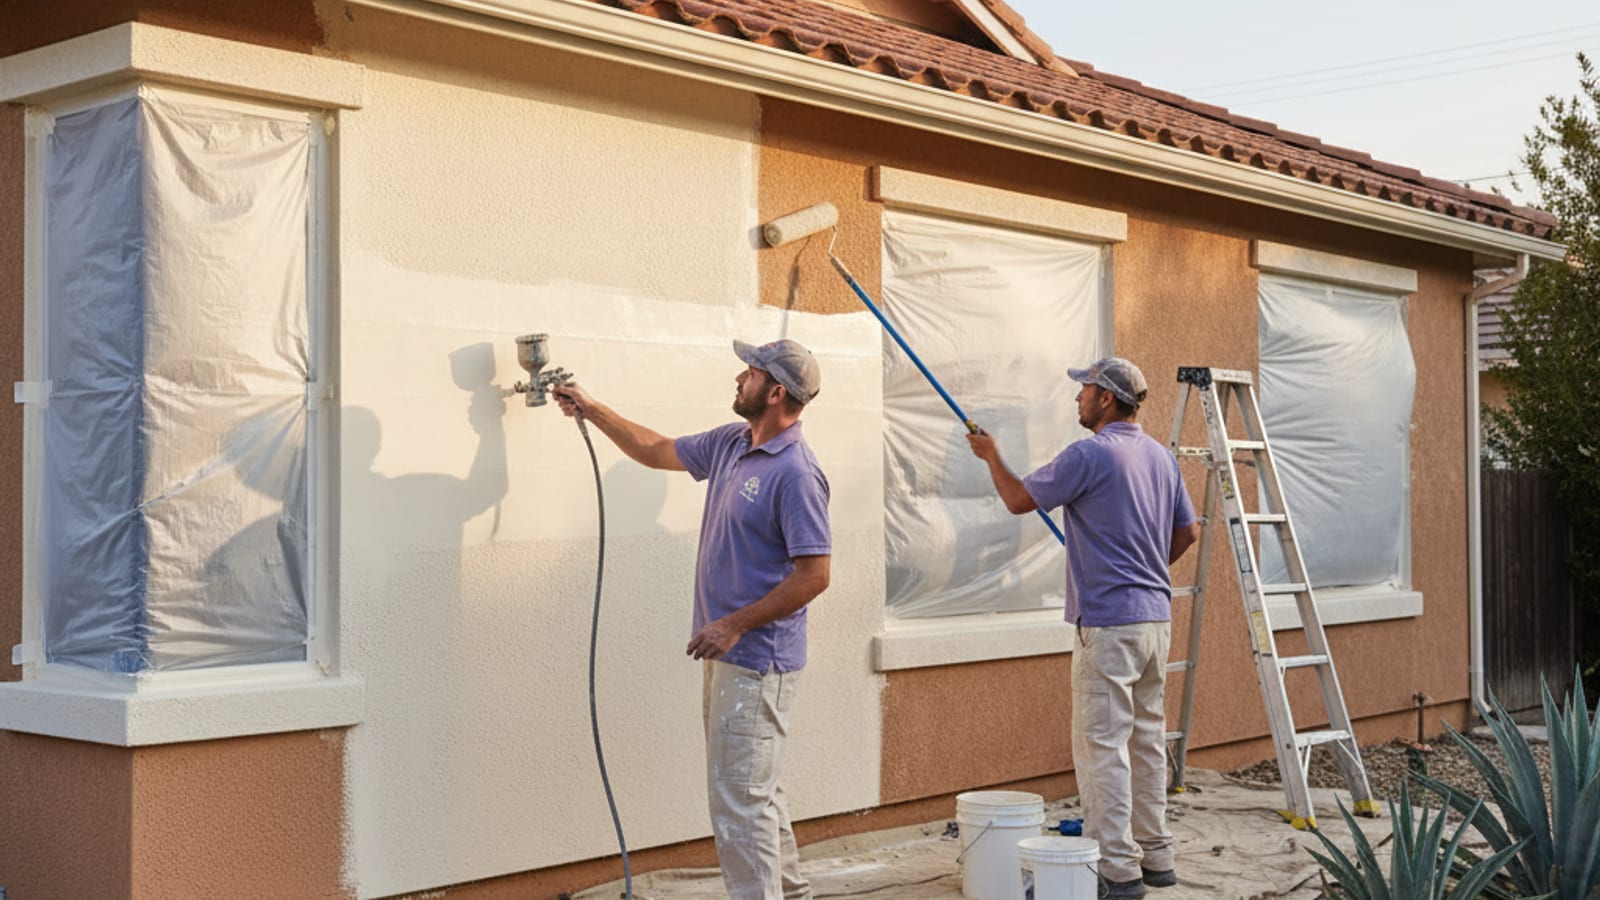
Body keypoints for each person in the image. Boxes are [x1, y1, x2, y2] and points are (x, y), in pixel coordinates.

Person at [554, 338, 831, 900]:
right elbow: (657, 448)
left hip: (757, 660)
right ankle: (792, 893)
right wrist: (593, 409)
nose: (737, 378)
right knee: (758, 790)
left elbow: (815, 575)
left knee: (739, 800)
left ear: (776, 392)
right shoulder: (732, 443)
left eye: (749, 373)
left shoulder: (797, 474)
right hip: (730, 654)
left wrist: (735, 624)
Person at [966, 357, 1199, 899]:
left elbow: (1020, 499)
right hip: (1154, 620)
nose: (1077, 398)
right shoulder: (1160, 458)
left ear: (1107, 400)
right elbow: (1186, 530)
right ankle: (1156, 854)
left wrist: (992, 455)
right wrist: (1143, 569)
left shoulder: (1090, 455)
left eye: (1086, 390)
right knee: (1144, 740)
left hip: (1109, 624)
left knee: (1102, 747)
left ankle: (1118, 871)